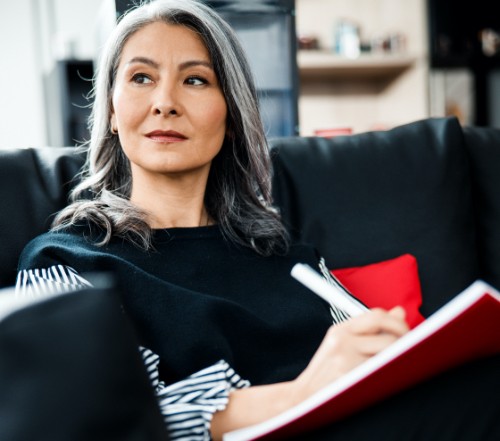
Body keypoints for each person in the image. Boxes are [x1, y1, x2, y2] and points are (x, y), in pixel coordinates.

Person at [15, 1, 500, 440]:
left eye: (196, 79)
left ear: (230, 115)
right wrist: (302, 390)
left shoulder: (288, 258)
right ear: (113, 112)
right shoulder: (64, 263)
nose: (165, 101)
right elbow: (108, 419)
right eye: (141, 78)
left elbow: (384, 367)